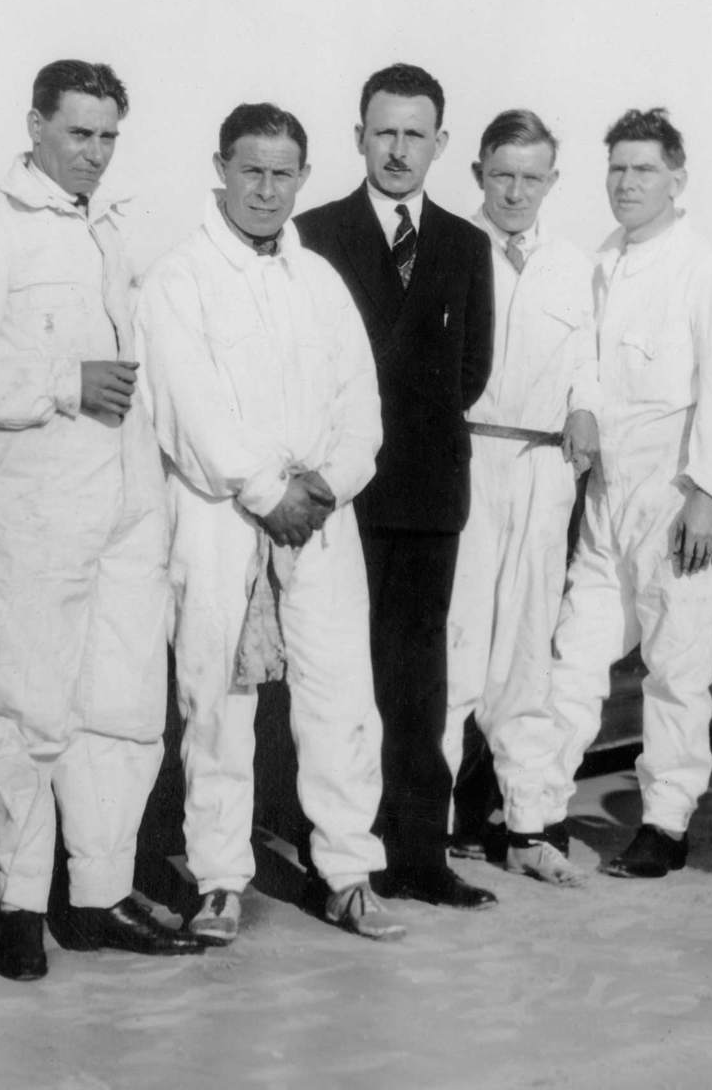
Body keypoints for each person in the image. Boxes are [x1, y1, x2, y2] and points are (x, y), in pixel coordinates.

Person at [0, 59, 203, 982]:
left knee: (119, 709)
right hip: (30, 507)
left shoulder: (112, 232)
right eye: (79, 132)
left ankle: (100, 894)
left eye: (110, 135)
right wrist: (60, 383)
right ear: (34, 124)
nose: (96, 153)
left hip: (125, 504)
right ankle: (21, 907)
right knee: (30, 714)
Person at [135, 103, 404, 945]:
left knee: (337, 692)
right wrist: (263, 490)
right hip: (221, 515)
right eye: (249, 169)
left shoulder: (317, 281)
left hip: (320, 515)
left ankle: (349, 872)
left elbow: (360, 403)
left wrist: (328, 483)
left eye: (282, 172)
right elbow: (189, 407)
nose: (265, 188)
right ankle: (219, 878)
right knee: (217, 696)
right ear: (220, 167)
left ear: (303, 177)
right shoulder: (180, 278)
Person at [504, 108, 712, 878]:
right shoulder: (596, 266)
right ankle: (536, 810)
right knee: (574, 659)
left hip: (677, 499)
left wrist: (710, 492)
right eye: (616, 168)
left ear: (677, 180)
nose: (626, 183)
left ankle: (666, 823)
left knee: (678, 669)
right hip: (606, 501)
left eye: (643, 169)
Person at [295, 64, 497, 910]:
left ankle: (418, 853)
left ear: (441, 144)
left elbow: (473, 372)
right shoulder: (313, 233)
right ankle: (342, 853)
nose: (399, 149)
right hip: (340, 499)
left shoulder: (464, 243)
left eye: (416, 134)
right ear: (358, 137)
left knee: (418, 681)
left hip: (425, 494)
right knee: (337, 678)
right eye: (385, 132)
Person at [443, 110, 600, 888]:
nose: (515, 191)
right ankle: (424, 829)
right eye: (501, 174)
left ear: (552, 182)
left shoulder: (574, 267)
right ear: (478, 172)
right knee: (455, 647)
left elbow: (591, 362)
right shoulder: (446, 246)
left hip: (542, 468)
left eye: (531, 177)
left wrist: (586, 406)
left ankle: (529, 825)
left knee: (528, 655)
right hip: (466, 456)